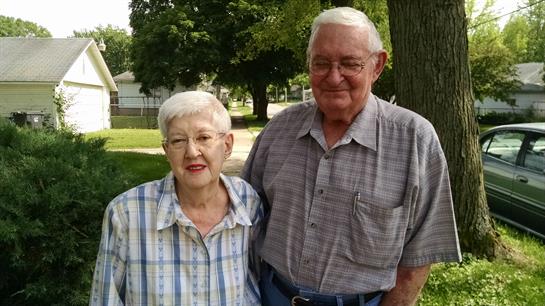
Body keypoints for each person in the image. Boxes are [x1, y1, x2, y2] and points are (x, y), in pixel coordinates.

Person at [242, 7, 461, 306]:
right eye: (321, 63)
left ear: (377, 66)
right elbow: (243, 220)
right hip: (273, 296)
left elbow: (418, 258)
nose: (333, 77)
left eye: (349, 63)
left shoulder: (416, 140)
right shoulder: (278, 130)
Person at [90, 91, 263, 305]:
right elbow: (106, 298)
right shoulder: (126, 213)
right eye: (178, 140)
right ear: (167, 150)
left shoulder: (248, 202)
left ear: (227, 145)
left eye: (204, 137)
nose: (192, 152)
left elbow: (257, 279)